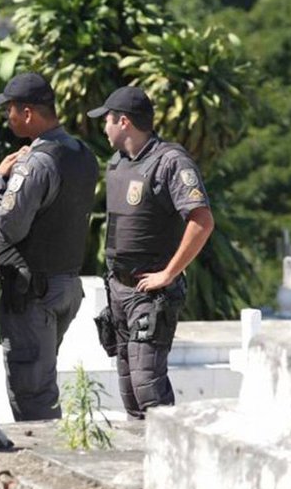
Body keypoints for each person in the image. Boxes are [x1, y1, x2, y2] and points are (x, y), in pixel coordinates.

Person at [87, 86, 214, 419]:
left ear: (124, 121)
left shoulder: (170, 161)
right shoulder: (118, 162)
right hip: (119, 289)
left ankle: (174, 461)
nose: (104, 128)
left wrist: (169, 273)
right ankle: (145, 466)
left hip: (151, 293)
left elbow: (202, 221)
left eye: (108, 120)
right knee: (130, 392)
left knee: (149, 389)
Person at [0, 72, 99, 421]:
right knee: (42, 382)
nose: (7, 117)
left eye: (10, 110)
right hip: (66, 285)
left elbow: (10, 223)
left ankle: (46, 467)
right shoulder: (82, 153)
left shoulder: (35, 163)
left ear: (29, 113)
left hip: (34, 292)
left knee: (32, 394)